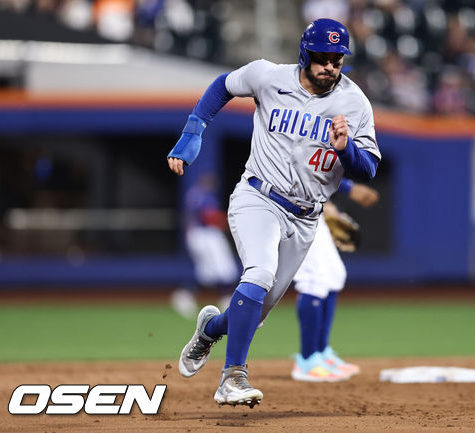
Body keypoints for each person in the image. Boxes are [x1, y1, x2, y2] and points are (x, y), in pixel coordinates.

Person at [167, 18, 380, 408]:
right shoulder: (268, 76)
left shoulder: (355, 103)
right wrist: (192, 132)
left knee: (254, 312)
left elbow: (368, 169)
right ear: (304, 52)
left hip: (305, 218)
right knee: (259, 274)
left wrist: (346, 149)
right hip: (258, 198)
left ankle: (210, 330)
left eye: (337, 59)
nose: (329, 66)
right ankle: (233, 377)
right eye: (322, 57)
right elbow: (223, 86)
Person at [292, 179, 379, 382]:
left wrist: (324, 202)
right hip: (290, 206)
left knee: (333, 273)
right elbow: (301, 163)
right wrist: (349, 188)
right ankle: (306, 360)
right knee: (315, 277)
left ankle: (320, 353)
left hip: (310, 203)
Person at [170, 173, 239, 319]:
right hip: (206, 234)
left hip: (196, 234)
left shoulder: (193, 194)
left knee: (207, 272)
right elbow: (209, 217)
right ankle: (225, 298)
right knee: (224, 268)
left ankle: (185, 294)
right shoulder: (203, 196)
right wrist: (231, 222)